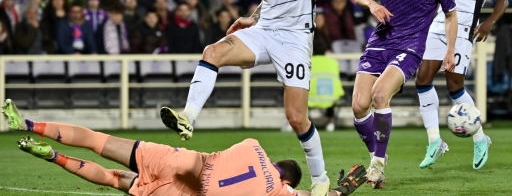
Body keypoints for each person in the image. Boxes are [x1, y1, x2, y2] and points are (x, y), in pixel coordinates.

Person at [158, 0, 385, 195]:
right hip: (264, 30)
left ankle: (320, 180)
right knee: (212, 52)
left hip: (294, 39)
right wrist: (251, 18)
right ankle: (188, 118)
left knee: (296, 117)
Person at [2, 99, 367, 196]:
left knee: (99, 141)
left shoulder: (254, 145)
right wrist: (345, 188)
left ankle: (31, 124)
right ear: (285, 182)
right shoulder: (280, 193)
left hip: (183, 160)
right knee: (114, 181)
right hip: (184, 192)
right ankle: (55, 157)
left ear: (274, 161)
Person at [351, 0, 458, 189]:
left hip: (409, 47)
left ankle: (377, 165)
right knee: (358, 106)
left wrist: (450, 49)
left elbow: (451, 15)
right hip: (379, 43)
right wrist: (374, 4)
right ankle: (378, 152)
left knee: (379, 95)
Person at [415, 0, 508, 170]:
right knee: (422, 80)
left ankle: (480, 139)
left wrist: (488, 23)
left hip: (465, 28)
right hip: (438, 25)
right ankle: (435, 142)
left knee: (454, 87)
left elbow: (503, 1)